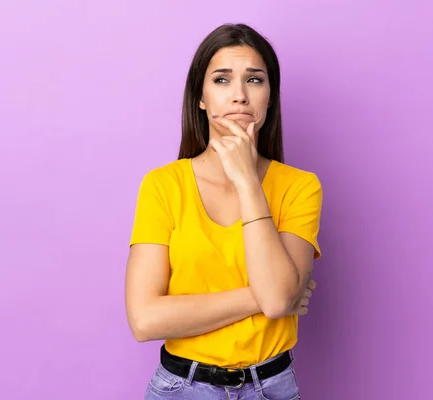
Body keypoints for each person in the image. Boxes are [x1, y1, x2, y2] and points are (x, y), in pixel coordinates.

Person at [125, 23, 322, 400]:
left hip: (272, 387)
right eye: (221, 80)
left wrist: (248, 182)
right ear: (200, 98)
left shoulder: (300, 186)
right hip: (181, 388)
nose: (239, 96)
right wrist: (263, 297)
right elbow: (145, 320)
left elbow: (280, 300)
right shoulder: (164, 185)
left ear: (269, 97)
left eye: (254, 80)